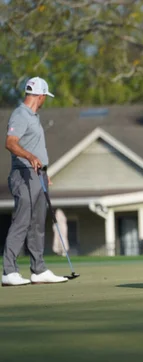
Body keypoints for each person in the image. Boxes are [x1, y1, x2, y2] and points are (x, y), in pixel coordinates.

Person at [2, 77, 68, 287]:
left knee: (38, 223)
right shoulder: (20, 115)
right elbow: (10, 143)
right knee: (22, 221)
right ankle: (9, 271)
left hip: (38, 175)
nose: (44, 101)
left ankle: (38, 270)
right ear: (40, 96)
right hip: (23, 174)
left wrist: (44, 172)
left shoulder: (34, 117)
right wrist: (30, 157)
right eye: (44, 97)